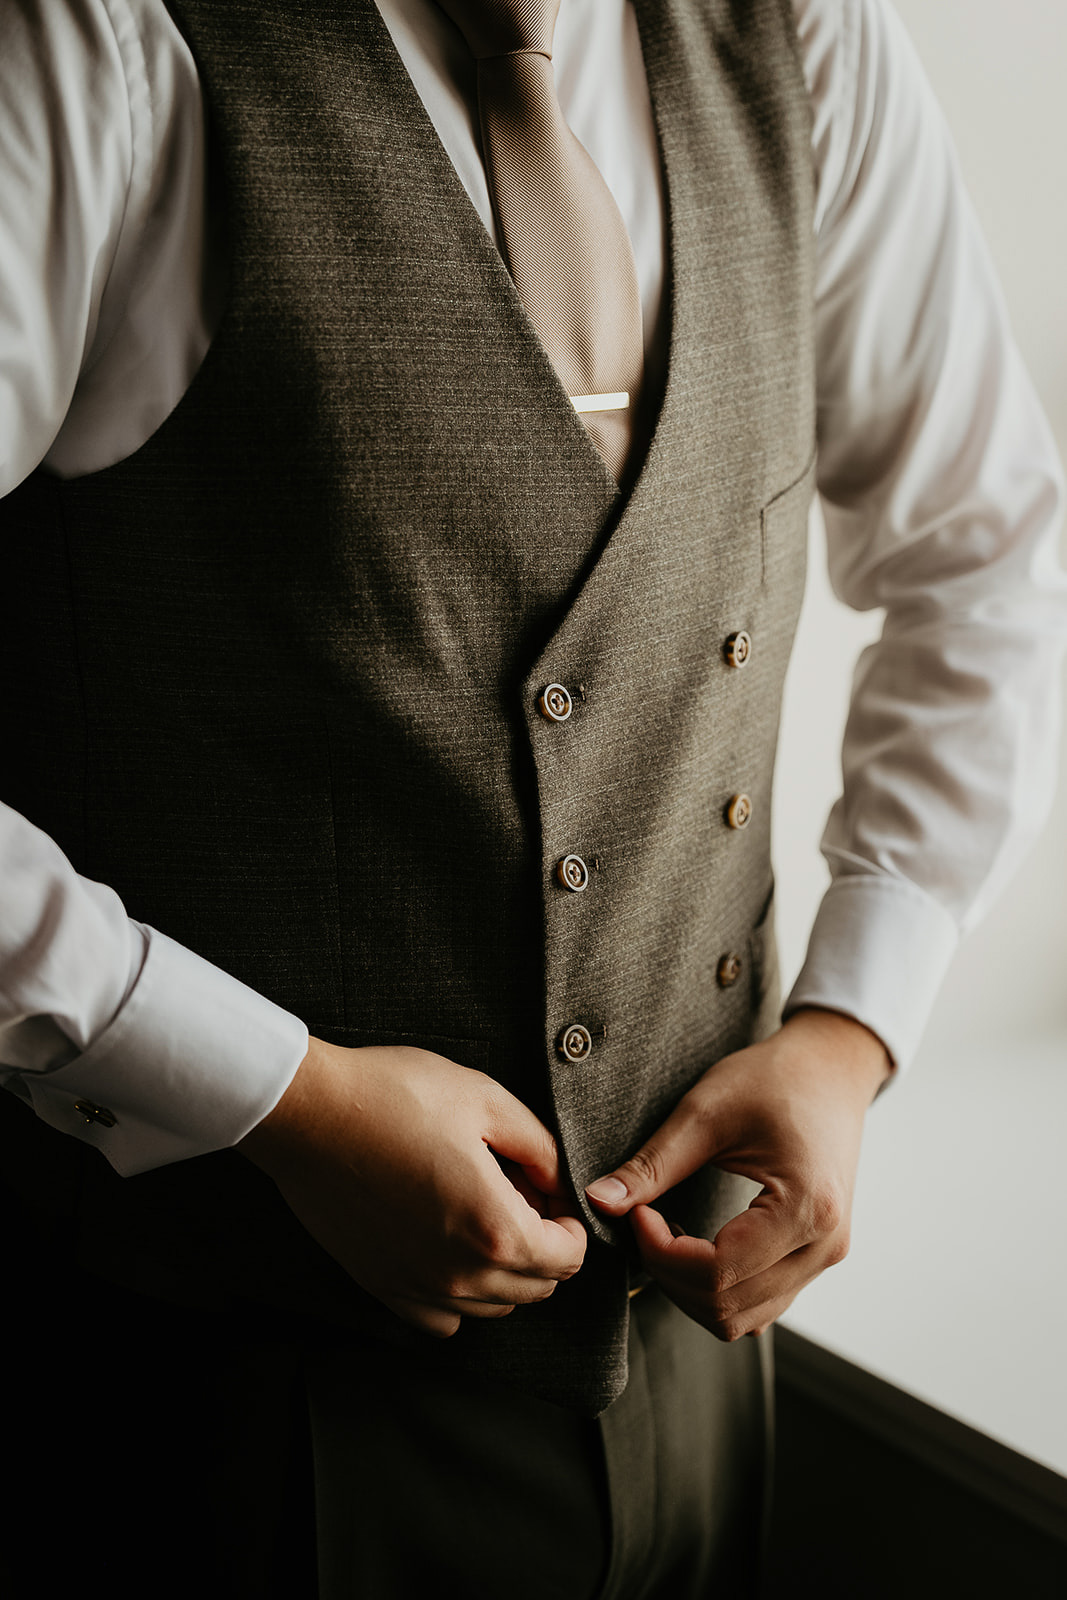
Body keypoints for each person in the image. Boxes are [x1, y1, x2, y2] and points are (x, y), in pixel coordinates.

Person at [0, 0, 1062, 1595]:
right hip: (216, 1396)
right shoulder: (100, 38)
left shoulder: (804, 35)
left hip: (705, 1370)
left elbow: (985, 559)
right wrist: (276, 1095)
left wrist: (849, 1031)